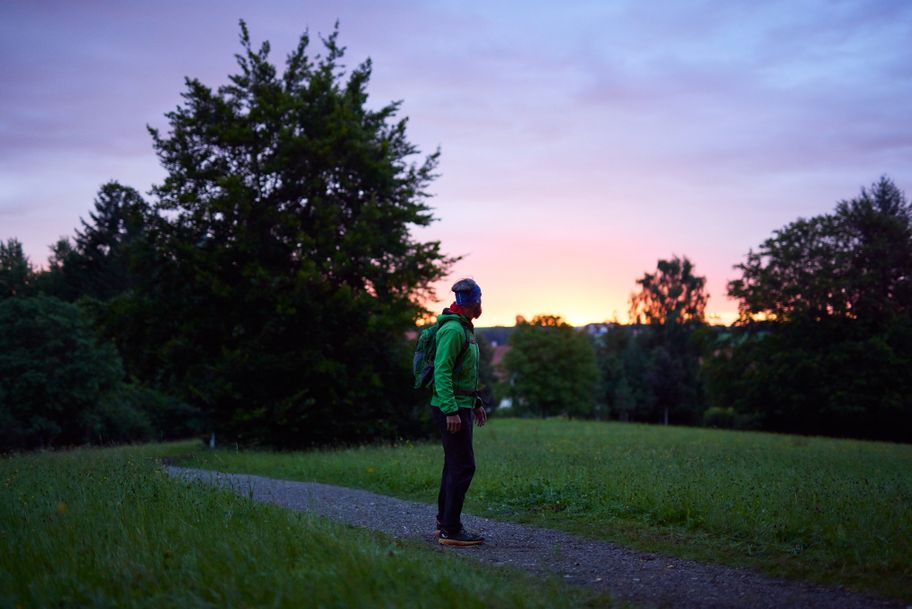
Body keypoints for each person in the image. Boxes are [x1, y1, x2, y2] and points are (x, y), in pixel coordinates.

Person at [431, 278, 487, 546]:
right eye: (480, 300)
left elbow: (463, 373)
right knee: (464, 466)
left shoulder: (464, 328)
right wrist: (451, 410)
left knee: (454, 465)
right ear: (474, 301)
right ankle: (451, 530)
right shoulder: (454, 331)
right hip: (450, 408)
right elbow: (442, 371)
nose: (481, 304)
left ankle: (445, 523)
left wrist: (475, 402)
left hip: (460, 405)